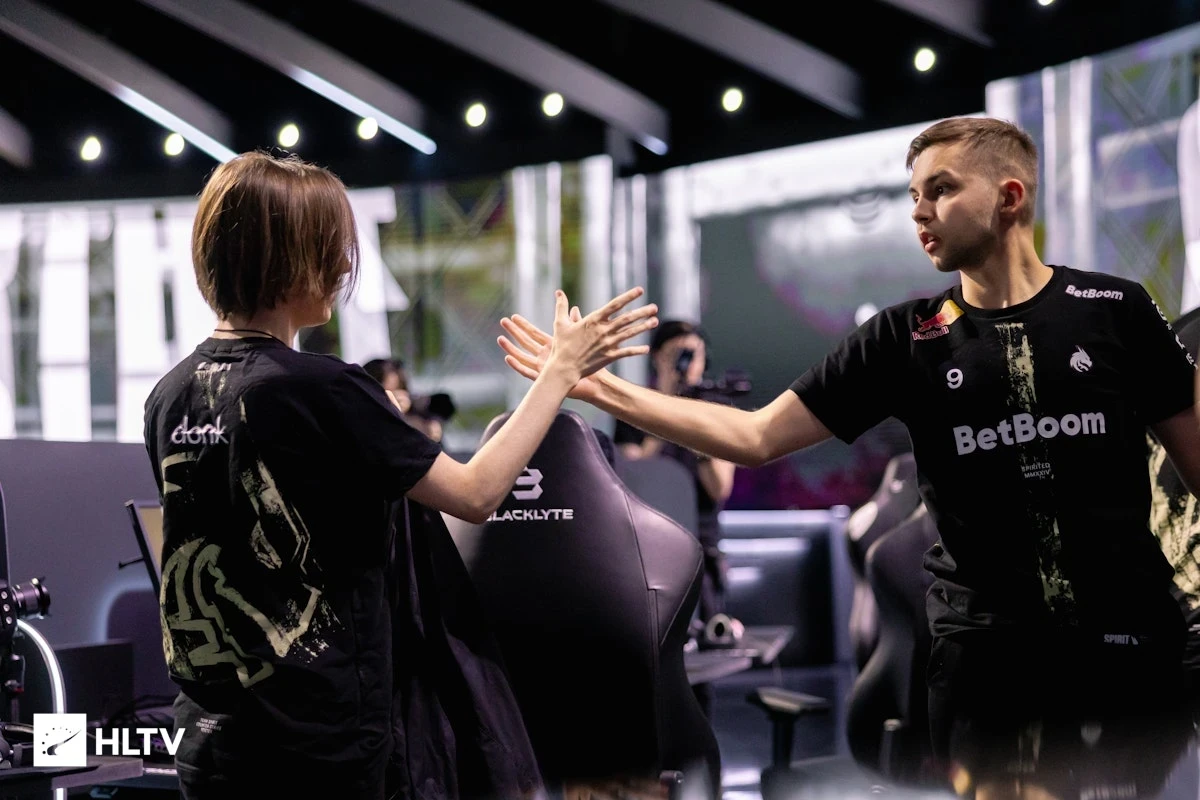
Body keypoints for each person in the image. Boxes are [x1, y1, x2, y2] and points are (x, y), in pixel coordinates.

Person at [498, 117, 1200, 753]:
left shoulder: (1117, 311)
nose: (919, 210)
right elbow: (753, 435)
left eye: (941, 189)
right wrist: (595, 387)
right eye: (914, 195)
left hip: (1132, 650)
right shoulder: (904, 337)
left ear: (1009, 197)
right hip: (985, 663)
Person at [142, 150, 657, 799]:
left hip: (210, 742)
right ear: (290, 257)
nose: (343, 268)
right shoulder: (325, 390)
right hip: (319, 747)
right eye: (331, 248)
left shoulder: (170, 395)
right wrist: (559, 375)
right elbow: (476, 493)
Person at [612, 320, 737, 623]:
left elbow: (719, 488)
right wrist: (665, 408)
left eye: (694, 355)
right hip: (647, 543)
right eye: (678, 355)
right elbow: (634, 476)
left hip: (701, 544)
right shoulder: (634, 408)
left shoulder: (717, 409)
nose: (687, 364)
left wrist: (694, 425)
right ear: (657, 358)